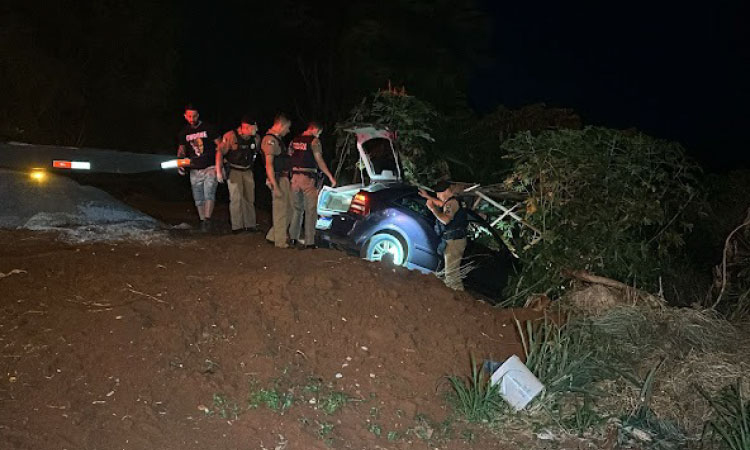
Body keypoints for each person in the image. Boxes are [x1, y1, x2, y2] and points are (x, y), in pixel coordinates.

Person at [288, 122, 336, 249]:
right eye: (319, 132)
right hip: (307, 179)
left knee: (297, 210)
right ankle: (310, 242)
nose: (319, 135)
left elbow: (289, 156)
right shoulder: (314, 142)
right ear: (314, 129)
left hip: (294, 178)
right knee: (311, 211)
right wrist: (330, 176)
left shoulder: (294, 140)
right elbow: (319, 160)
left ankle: (293, 238)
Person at [177, 104, 222, 232]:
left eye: (195, 115)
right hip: (194, 167)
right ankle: (203, 220)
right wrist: (180, 165)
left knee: (209, 192)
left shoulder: (208, 128)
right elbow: (181, 150)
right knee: (198, 197)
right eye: (190, 116)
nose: (192, 118)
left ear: (198, 115)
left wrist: (220, 164)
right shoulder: (184, 132)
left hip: (210, 166)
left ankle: (207, 220)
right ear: (185, 116)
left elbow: (220, 145)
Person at [419, 181, 468, 290]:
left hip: (454, 241)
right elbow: (442, 204)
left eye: (438, 194)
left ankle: (458, 297)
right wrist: (427, 196)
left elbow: (445, 220)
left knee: (451, 273)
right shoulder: (453, 201)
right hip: (454, 239)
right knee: (449, 271)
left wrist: (432, 209)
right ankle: (451, 293)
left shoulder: (452, 203)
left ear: (445, 191)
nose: (437, 196)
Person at [218, 115, 261, 233]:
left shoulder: (256, 138)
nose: (256, 129)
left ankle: (250, 225)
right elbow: (220, 152)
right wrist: (219, 170)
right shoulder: (230, 136)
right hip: (234, 170)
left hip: (247, 170)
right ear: (246, 127)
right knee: (236, 199)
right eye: (254, 127)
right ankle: (237, 227)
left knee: (249, 198)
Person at [262, 114, 293, 248]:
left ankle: (272, 235)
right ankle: (280, 242)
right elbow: (269, 164)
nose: (288, 130)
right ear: (280, 125)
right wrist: (275, 185)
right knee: (280, 210)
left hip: (284, 177)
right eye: (287, 127)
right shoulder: (270, 140)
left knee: (290, 208)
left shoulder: (278, 139)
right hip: (277, 178)